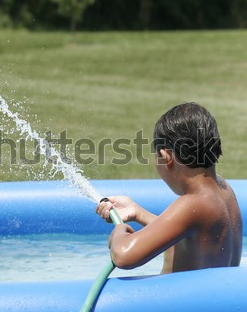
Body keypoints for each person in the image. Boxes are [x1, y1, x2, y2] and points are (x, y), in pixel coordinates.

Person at [96, 102, 242, 274]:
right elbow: (184, 233)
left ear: (167, 158)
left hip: (184, 301)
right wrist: (138, 213)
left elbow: (124, 256)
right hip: (217, 299)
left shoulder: (193, 203)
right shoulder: (224, 191)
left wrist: (118, 233)